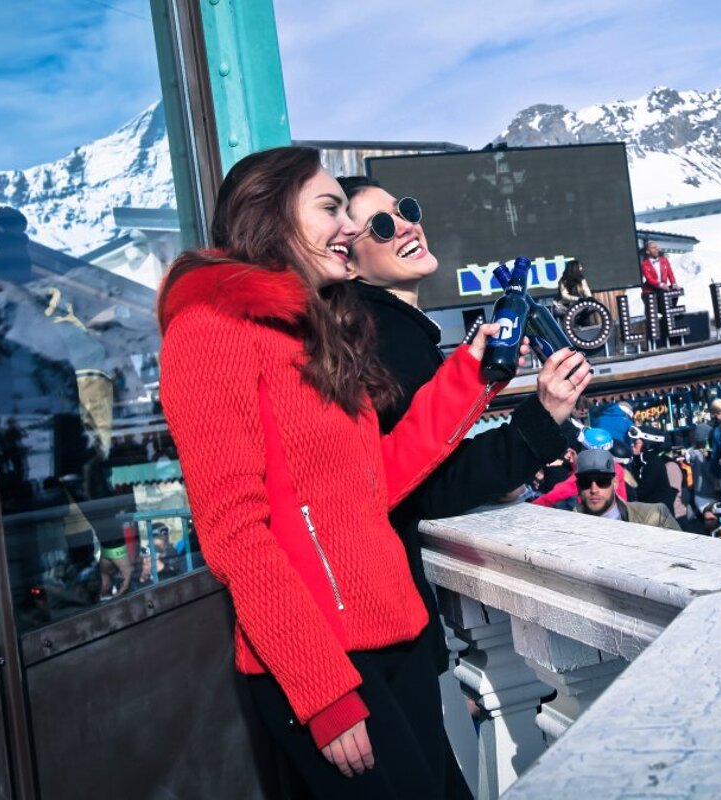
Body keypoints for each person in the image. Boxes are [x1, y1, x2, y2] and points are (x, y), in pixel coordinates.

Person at [157, 146, 516, 796]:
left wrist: (469, 375)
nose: (348, 227)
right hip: (327, 664)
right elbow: (235, 534)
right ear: (269, 215)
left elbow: (371, 481)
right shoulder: (209, 331)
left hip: (395, 638)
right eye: (330, 208)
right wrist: (323, 693)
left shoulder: (310, 331)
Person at [338, 175, 588, 673]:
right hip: (391, 627)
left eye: (406, 208)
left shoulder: (387, 332)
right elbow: (425, 485)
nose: (408, 226)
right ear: (348, 261)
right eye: (383, 226)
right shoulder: (384, 339)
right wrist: (544, 418)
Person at [571, 448, 681, 530]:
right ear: (578, 486)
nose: (594, 489)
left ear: (615, 483)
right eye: (585, 482)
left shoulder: (656, 516)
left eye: (602, 481)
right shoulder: (569, 527)